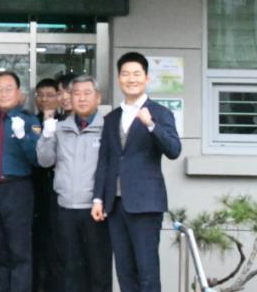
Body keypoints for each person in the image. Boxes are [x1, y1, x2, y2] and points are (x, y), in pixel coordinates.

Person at [92, 52, 182, 292]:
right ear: (119, 79)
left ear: (146, 78)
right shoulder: (112, 118)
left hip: (145, 204)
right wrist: (98, 198)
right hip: (115, 204)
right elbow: (105, 160)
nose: (131, 79)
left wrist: (151, 125)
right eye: (125, 74)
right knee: (125, 272)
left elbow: (174, 150)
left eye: (136, 74)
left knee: (147, 271)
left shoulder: (160, 113)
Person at [37, 75, 112, 292]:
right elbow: (45, 161)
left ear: (98, 98)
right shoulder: (60, 128)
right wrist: (47, 134)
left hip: (97, 210)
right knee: (68, 270)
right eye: (76, 93)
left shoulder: (108, 128)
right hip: (65, 208)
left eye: (87, 93)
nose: (81, 98)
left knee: (98, 270)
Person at [0, 71, 41, 292]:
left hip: (17, 190)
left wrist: (23, 137)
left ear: (18, 92)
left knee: (19, 251)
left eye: (8, 89)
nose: (3, 94)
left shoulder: (29, 120)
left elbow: (38, 159)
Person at [31, 79, 64, 292]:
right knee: (35, 247)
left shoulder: (66, 123)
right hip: (34, 192)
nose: (44, 99)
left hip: (59, 194)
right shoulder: (30, 122)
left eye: (50, 94)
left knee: (58, 248)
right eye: (40, 95)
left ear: (59, 97)